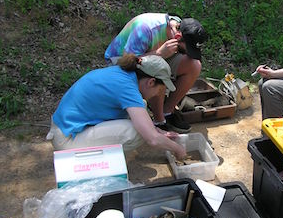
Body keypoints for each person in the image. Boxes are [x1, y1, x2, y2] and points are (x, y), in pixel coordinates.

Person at [46, 54, 186, 160]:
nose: (158, 94)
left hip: (67, 128)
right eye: (160, 89)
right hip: (67, 140)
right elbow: (152, 139)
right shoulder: (127, 88)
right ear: (151, 82)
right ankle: (97, 163)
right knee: (137, 132)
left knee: (140, 110)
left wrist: (159, 132)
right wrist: (178, 150)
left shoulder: (123, 74)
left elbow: (149, 128)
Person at [105, 13, 208, 133]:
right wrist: (159, 53)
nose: (186, 53)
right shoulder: (145, 29)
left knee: (194, 65)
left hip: (154, 54)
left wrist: (161, 55)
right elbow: (127, 60)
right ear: (178, 36)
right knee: (159, 70)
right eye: (186, 49)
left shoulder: (177, 25)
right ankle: (159, 120)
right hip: (121, 61)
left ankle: (167, 111)